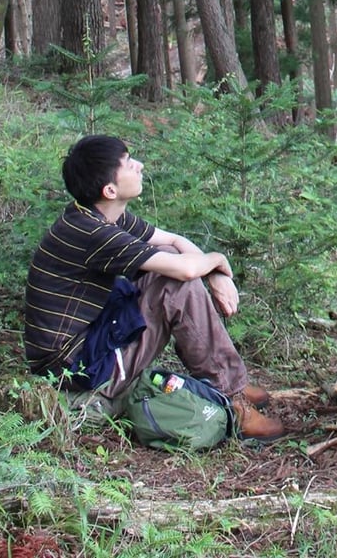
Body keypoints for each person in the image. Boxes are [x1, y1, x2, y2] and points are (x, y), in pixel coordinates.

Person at [23, 134, 284, 441]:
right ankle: (233, 398)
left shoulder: (101, 215)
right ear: (110, 190)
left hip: (88, 339)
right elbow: (185, 269)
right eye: (128, 164)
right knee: (176, 284)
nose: (139, 165)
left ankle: (228, 381)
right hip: (77, 369)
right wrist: (218, 260)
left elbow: (174, 242)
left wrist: (213, 273)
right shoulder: (92, 232)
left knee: (172, 266)